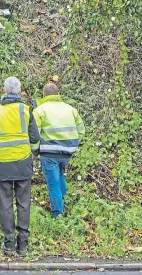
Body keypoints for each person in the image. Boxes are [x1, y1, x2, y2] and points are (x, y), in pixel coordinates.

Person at [0, 76, 40, 257]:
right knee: (23, 204)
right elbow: (35, 138)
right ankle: (22, 245)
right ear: (20, 92)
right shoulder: (26, 110)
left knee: (6, 204)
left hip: (3, 163)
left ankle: (9, 245)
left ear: (4, 90)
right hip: (23, 163)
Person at [33, 82, 85, 219]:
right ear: (57, 94)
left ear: (44, 95)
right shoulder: (70, 109)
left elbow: (34, 134)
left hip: (49, 153)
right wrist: (72, 145)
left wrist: (34, 150)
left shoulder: (40, 110)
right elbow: (81, 130)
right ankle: (66, 203)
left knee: (53, 183)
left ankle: (57, 214)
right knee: (60, 176)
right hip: (67, 152)